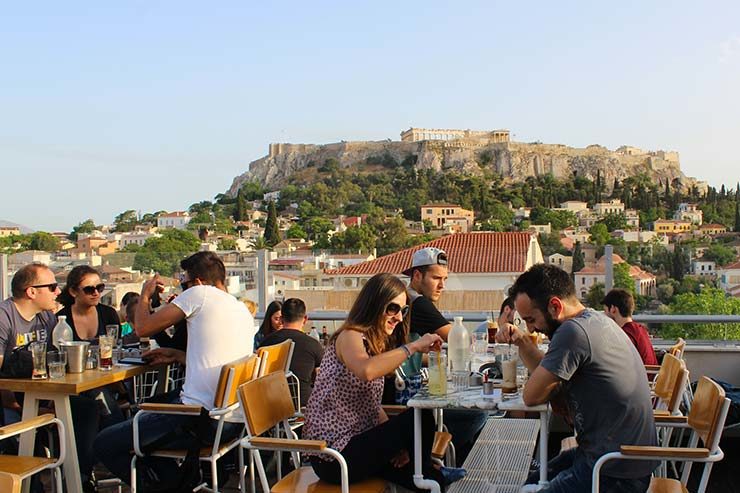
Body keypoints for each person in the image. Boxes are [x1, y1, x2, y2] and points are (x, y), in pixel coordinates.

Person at [94, 251, 255, 486]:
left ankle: (172, 485)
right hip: (231, 421)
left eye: (184, 284)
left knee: (105, 443)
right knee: (145, 411)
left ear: (197, 282)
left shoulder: (200, 294)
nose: (182, 290)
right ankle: (178, 481)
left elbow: (142, 328)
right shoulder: (240, 308)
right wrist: (179, 355)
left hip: (199, 419)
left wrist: (145, 295)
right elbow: (221, 362)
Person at [496, 264, 657, 493]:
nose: (532, 329)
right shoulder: (594, 320)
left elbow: (531, 396)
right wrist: (522, 341)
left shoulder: (574, 332)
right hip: (619, 459)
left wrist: (549, 387)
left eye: (531, 319)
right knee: (531, 483)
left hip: (613, 472)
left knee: (529, 487)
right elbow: (547, 374)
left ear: (554, 306)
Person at [303, 273, 463, 491]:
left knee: (427, 480)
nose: (398, 317)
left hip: (356, 443)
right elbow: (365, 370)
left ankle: (432, 475)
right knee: (420, 418)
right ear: (374, 304)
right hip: (333, 456)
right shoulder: (350, 336)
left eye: (403, 310)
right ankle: (430, 472)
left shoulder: (374, 343)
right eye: (393, 308)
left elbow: (372, 405)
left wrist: (398, 444)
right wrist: (412, 347)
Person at [0, 263, 101, 490]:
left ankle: (80, 478)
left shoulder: (47, 318)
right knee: (26, 441)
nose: (58, 292)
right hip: (10, 400)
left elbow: (58, 359)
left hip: (40, 395)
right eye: (52, 286)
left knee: (88, 408)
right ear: (31, 292)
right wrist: (14, 404)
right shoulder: (4, 317)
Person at [403, 247, 487, 465]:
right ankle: (430, 457)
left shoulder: (406, 299)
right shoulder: (417, 302)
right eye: (436, 278)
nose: (442, 285)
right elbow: (457, 338)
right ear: (417, 276)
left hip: (407, 386)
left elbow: (409, 355)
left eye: (445, 279)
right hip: (405, 398)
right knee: (478, 413)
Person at [258, 298, 323, 407]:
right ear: (305, 319)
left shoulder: (266, 343)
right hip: (302, 405)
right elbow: (321, 378)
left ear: (282, 319)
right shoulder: (313, 344)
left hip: (272, 406)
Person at [56, 266, 120, 341]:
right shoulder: (60, 320)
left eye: (99, 288)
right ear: (73, 292)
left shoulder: (109, 314)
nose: (96, 293)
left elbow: (117, 345)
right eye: (89, 289)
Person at [601, 289, 658, 366]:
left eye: (605, 310)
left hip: (641, 377)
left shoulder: (624, 336)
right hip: (649, 375)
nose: (604, 314)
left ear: (613, 309)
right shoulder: (640, 329)